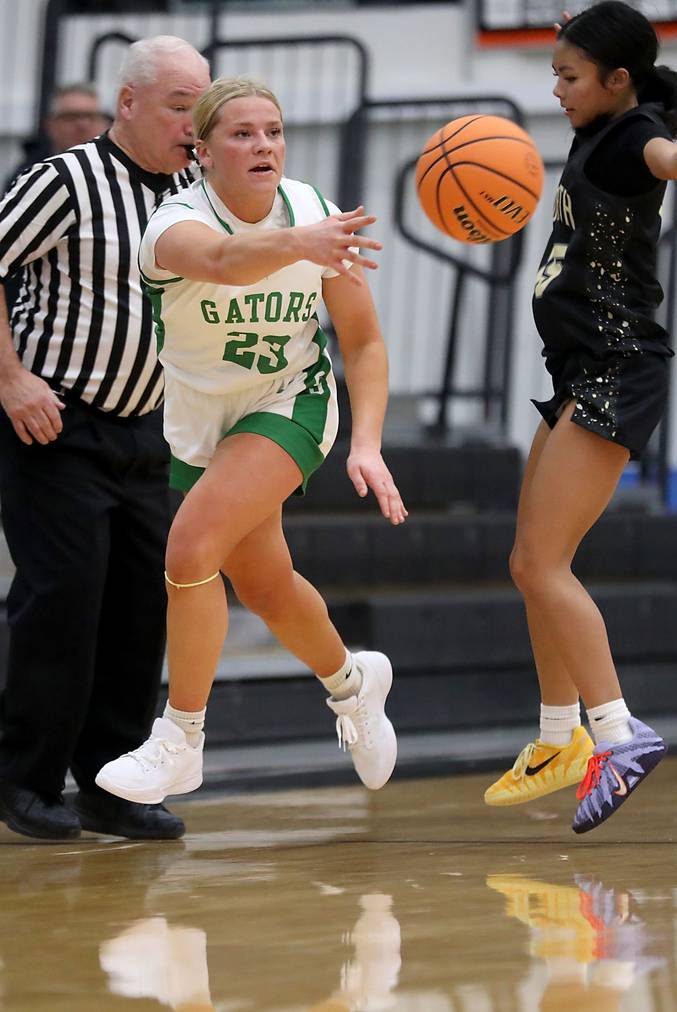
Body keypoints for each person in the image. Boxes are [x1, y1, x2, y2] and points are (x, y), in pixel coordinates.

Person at [484, 1, 677, 833]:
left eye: (569, 77)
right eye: (554, 73)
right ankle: (557, 739)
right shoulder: (598, 126)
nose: (557, 90)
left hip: (618, 370)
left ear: (618, 81)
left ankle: (619, 732)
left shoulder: (633, 133)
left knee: (544, 565)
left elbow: (673, 162)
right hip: (581, 367)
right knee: (529, 560)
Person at [94, 77, 406, 809]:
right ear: (200, 150)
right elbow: (228, 264)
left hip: (289, 400)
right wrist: (302, 243)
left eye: (272, 130)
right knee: (264, 587)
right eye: (241, 133)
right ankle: (354, 685)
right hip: (200, 420)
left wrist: (367, 442)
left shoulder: (315, 212)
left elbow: (361, 343)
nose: (263, 144)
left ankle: (181, 740)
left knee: (189, 551)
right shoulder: (172, 225)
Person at [0, 36, 213, 841]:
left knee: (140, 610)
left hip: (154, 429)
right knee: (65, 600)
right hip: (59, 421)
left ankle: (112, 785)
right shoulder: (64, 179)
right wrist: (11, 378)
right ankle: (25, 779)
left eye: (202, 104)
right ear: (129, 104)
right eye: (178, 105)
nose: (193, 122)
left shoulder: (198, 192)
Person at [2, 85, 111, 319]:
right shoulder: (29, 177)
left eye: (90, 116)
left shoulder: (116, 176)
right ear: (51, 124)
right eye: (71, 116)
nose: (82, 124)